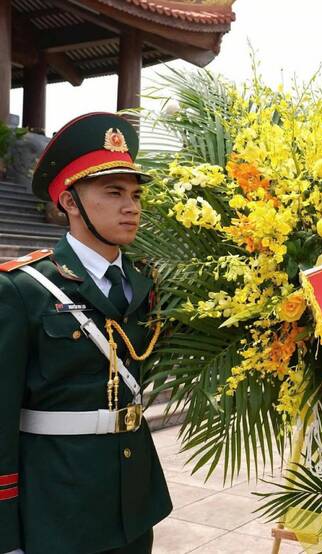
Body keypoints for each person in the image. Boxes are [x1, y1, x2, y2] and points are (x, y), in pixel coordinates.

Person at [0, 113, 172, 554]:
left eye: (134, 194)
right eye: (113, 192)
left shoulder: (147, 284)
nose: (130, 206)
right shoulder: (23, 289)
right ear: (70, 202)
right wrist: (7, 536)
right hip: (59, 509)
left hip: (134, 506)